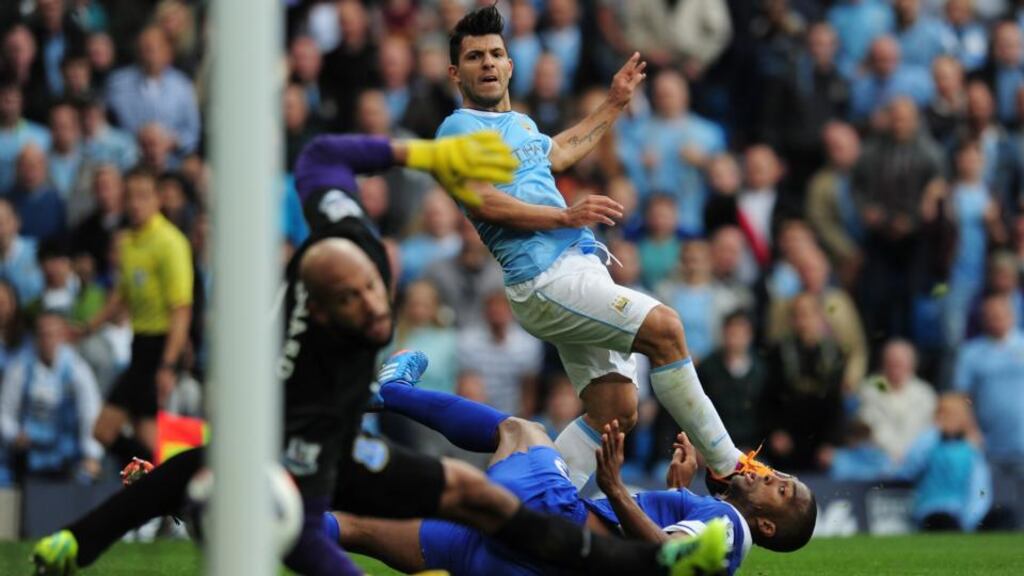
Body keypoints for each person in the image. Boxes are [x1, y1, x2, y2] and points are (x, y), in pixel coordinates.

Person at [33, 132, 713, 576]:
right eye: (356, 302)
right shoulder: (293, 374)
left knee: (472, 492)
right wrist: (87, 536)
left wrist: (423, 157)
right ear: (325, 315)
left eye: (369, 283)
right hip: (320, 449)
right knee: (332, 521)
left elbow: (319, 157)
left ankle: (653, 566)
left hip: (354, 454)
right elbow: (214, 460)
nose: (373, 303)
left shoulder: (346, 230)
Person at [437, 6, 778, 492]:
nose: (487, 63)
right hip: (543, 276)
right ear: (456, 72)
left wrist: (616, 102)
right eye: (474, 57)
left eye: (495, 53)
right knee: (665, 328)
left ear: (511, 65)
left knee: (616, 411)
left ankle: (524, 508)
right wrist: (564, 216)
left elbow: (560, 150)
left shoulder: (522, 126)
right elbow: (485, 201)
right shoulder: (458, 129)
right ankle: (728, 466)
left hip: (577, 266)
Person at [338, 376, 818, 576]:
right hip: (523, 563)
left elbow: (664, 559)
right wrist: (679, 491)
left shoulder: (731, 530)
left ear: (768, 526)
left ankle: (390, 390)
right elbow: (674, 548)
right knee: (358, 528)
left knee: (521, 429)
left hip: (551, 520)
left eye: (781, 488)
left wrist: (614, 489)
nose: (769, 474)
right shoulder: (720, 531)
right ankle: (274, 512)